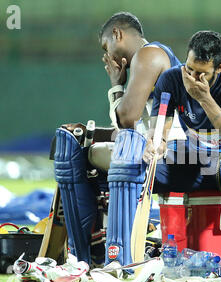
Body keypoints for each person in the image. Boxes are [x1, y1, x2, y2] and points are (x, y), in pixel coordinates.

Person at [109, 30, 221, 268]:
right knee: (131, 163)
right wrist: (153, 144)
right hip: (200, 162)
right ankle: (120, 259)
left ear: (219, 69)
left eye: (202, 73)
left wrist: (205, 98)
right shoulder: (171, 79)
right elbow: (160, 133)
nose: (192, 77)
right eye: (189, 69)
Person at [53, 12, 184, 267]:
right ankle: (101, 245)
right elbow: (128, 128)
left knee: (76, 154)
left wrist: (116, 84)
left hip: (175, 154)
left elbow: (126, 120)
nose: (108, 56)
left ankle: (91, 252)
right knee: (96, 152)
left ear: (117, 34)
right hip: (174, 151)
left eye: (106, 47)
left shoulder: (148, 55)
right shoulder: (154, 56)